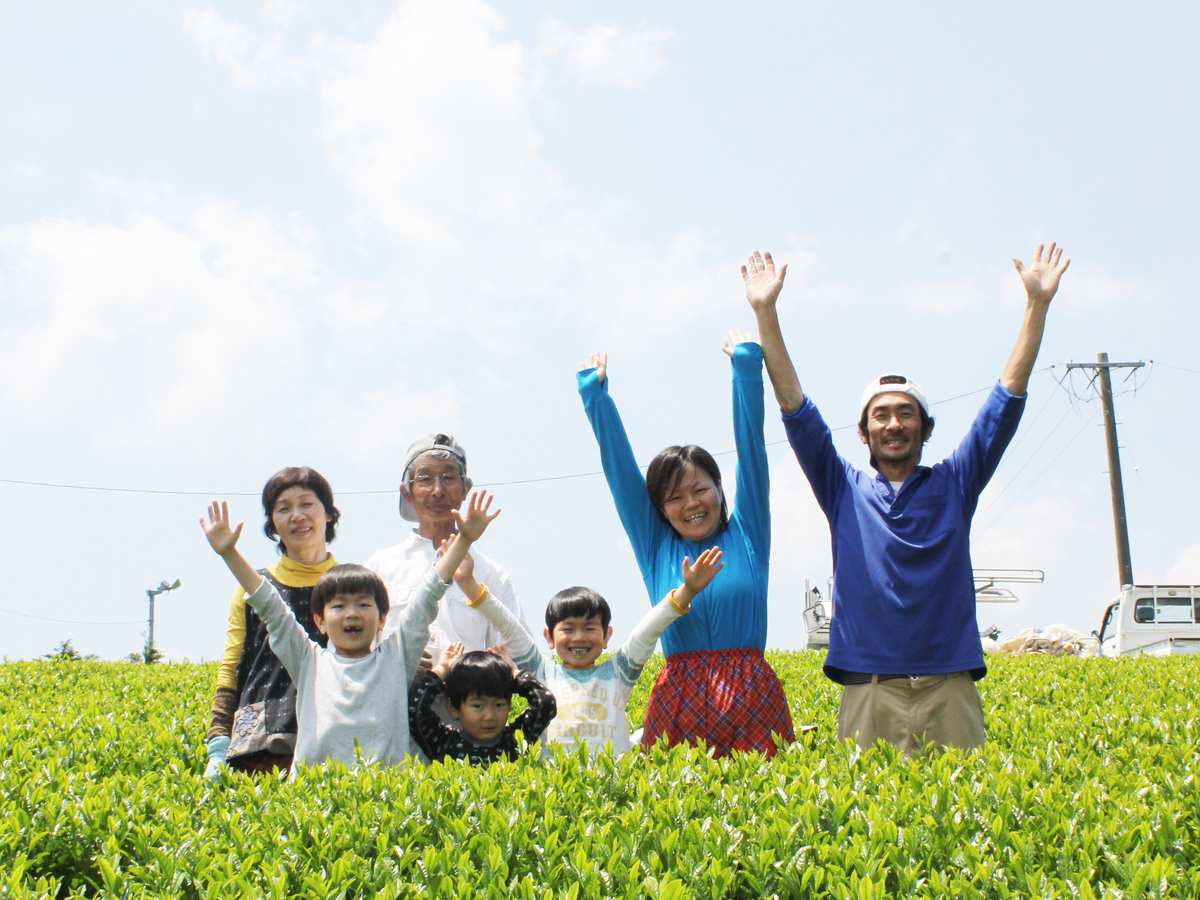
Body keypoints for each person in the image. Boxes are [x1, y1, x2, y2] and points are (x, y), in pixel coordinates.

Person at [742, 244, 1070, 756]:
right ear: (863, 433)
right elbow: (795, 409)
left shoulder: (956, 482)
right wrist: (766, 312)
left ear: (925, 428)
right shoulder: (842, 488)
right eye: (881, 415)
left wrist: (1037, 307)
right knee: (866, 826)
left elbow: (1006, 402)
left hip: (950, 687)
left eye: (906, 413)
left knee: (967, 824)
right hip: (868, 689)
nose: (893, 423)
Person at [575, 325, 795, 757]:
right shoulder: (656, 545)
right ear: (660, 509)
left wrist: (746, 371)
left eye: (700, 490)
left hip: (753, 695)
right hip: (679, 698)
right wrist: (596, 398)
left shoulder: (749, 534)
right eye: (675, 498)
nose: (691, 504)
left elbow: (752, 450)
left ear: (719, 488)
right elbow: (619, 472)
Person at [199, 491, 500, 772]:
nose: (352, 614)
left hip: (388, 801)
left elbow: (427, 595)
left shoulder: (397, 656)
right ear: (319, 621)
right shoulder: (307, 660)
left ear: (383, 619)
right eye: (339, 606)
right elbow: (271, 608)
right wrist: (229, 554)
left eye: (364, 605)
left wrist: (464, 539)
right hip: (316, 801)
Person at [458, 546, 725, 755]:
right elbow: (508, 625)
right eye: (568, 629)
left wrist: (687, 591)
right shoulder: (540, 671)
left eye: (589, 628)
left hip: (610, 792)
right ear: (548, 637)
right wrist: (469, 583)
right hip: (555, 796)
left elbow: (648, 631)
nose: (579, 638)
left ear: (607, 636)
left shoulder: (618, 673)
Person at [203, 467, 341, 780]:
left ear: (329, 514)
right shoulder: (252, 585)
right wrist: (217, 742)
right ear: (272, 525)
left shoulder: (353, 584)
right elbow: (232, 665)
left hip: (331, 737)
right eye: (283, 508)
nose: (297, 516)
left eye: (307, 504)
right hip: (259, 744)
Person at [366, 432, 532, 661]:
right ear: (407, 492)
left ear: (466, 489)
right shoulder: (380, 567)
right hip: (395, 696)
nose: (438, 490)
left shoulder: (491, 574)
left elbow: (514, 653)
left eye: (448, 478)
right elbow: (357, 650)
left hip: (468, 695)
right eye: (425, 479)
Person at [408, 642, 557, 765]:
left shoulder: (515, 740)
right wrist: (442, 669)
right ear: (453, 708)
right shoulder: (444, 742)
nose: (489, 716)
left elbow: (545, 702)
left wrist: (512, 673)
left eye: (499, 704)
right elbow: (415, 707)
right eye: (478, 706)